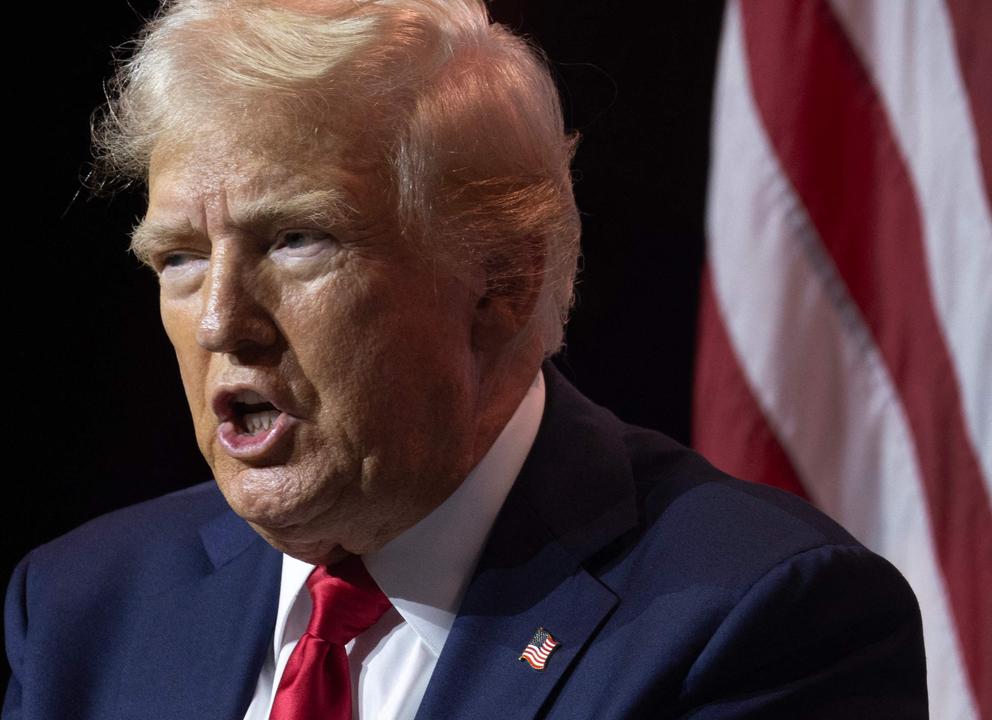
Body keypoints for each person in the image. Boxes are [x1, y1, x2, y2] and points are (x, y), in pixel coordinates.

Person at [3, 1, 927, 718]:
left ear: (501, 282)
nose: (220, 323)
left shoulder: (755, 620)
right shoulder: (88, 609)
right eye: (181, 259)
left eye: (295, 240)